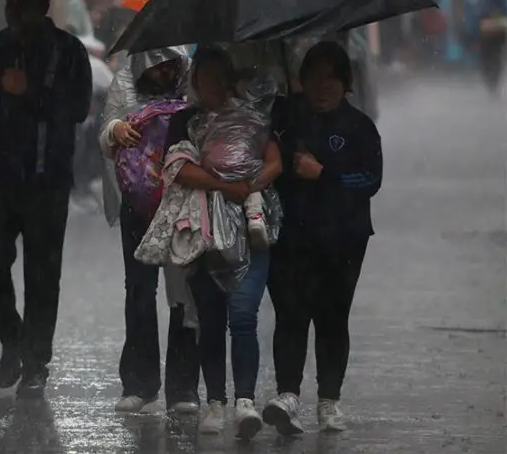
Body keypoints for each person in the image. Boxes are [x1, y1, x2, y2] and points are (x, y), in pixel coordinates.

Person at [0, 0, 92, 397]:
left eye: (20, 2)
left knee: (42, 275)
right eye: (9, 1)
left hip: (46, 181)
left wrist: (33, 91)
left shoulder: (69, 52)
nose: (13, 9)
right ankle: (12, 338)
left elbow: (78, 110)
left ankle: (37, 360)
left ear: (40, 5)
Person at [262, 41, 383, 434]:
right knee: (291, 315)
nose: (323, 86)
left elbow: (370, 180)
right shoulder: (285, 117)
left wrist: (324, 173)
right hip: (292, 237)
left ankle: (329, 399)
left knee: (333, 318)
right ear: (302, 80)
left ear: (346, 83)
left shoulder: (360, 127)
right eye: (315, 77)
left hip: (344, 240)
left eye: (332, 77)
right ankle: (288, 394)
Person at [162, 46, 282, 437]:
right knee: (210, 319)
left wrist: (250, 186)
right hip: (203, 229)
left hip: (252, 226)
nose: (210, 84)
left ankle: (245, 400)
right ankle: (215, 401)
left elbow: (273, 160)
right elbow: (177, 168)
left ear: (229, 79)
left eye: (218, 76)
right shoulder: (186, 123)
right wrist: (220, 185)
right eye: (203, 76)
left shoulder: (254, 117)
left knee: (244, 315)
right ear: (195, 81)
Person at [99, 46, 201, 414]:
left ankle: (184, 387)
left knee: (183, 293)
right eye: (158, 66)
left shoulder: (193, 82)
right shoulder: (124, 82)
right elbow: (106, 132)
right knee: (139, 291)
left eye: (171, 64)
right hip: (138, 204)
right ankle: (139, 383)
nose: (165, 72)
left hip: (183, 202)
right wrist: (117, 130)